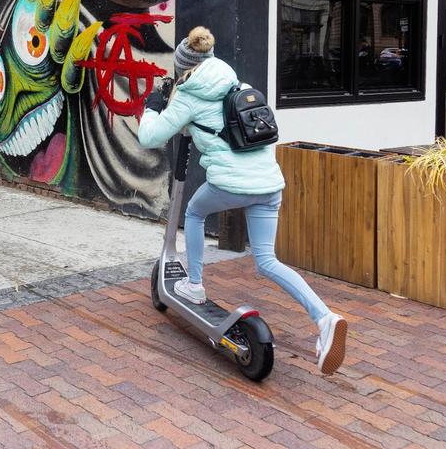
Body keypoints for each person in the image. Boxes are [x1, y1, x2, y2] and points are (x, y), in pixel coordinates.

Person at [138, 26, 348, 375]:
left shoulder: (189, 95)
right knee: (267, 261)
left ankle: (193, 286)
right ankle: (325, 318)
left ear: (184, 69)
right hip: (269, 184)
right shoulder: (242, 86)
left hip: (232, 184)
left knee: (193, 212)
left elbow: (149, 137)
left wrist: (153, 106)